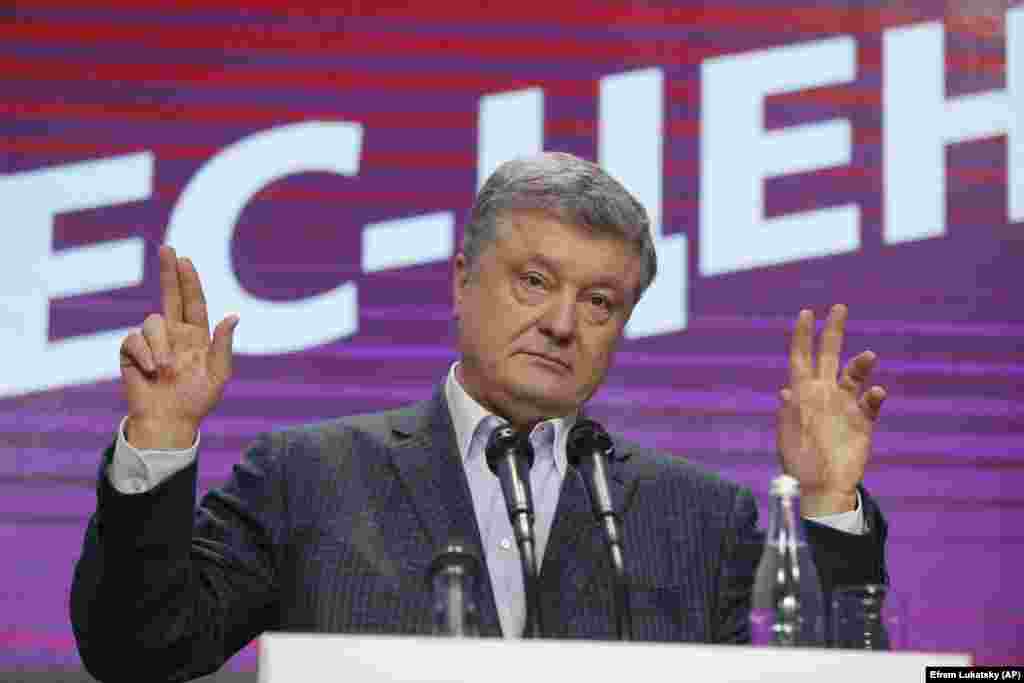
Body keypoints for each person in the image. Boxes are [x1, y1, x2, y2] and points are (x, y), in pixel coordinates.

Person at [71, 152, 888, 682]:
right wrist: (159, 444)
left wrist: (828, 508)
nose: (564, 322)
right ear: (463, 280)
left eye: (598, 301)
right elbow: (138, 651)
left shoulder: (703, 516)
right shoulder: (307, 476)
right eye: (534, 281)